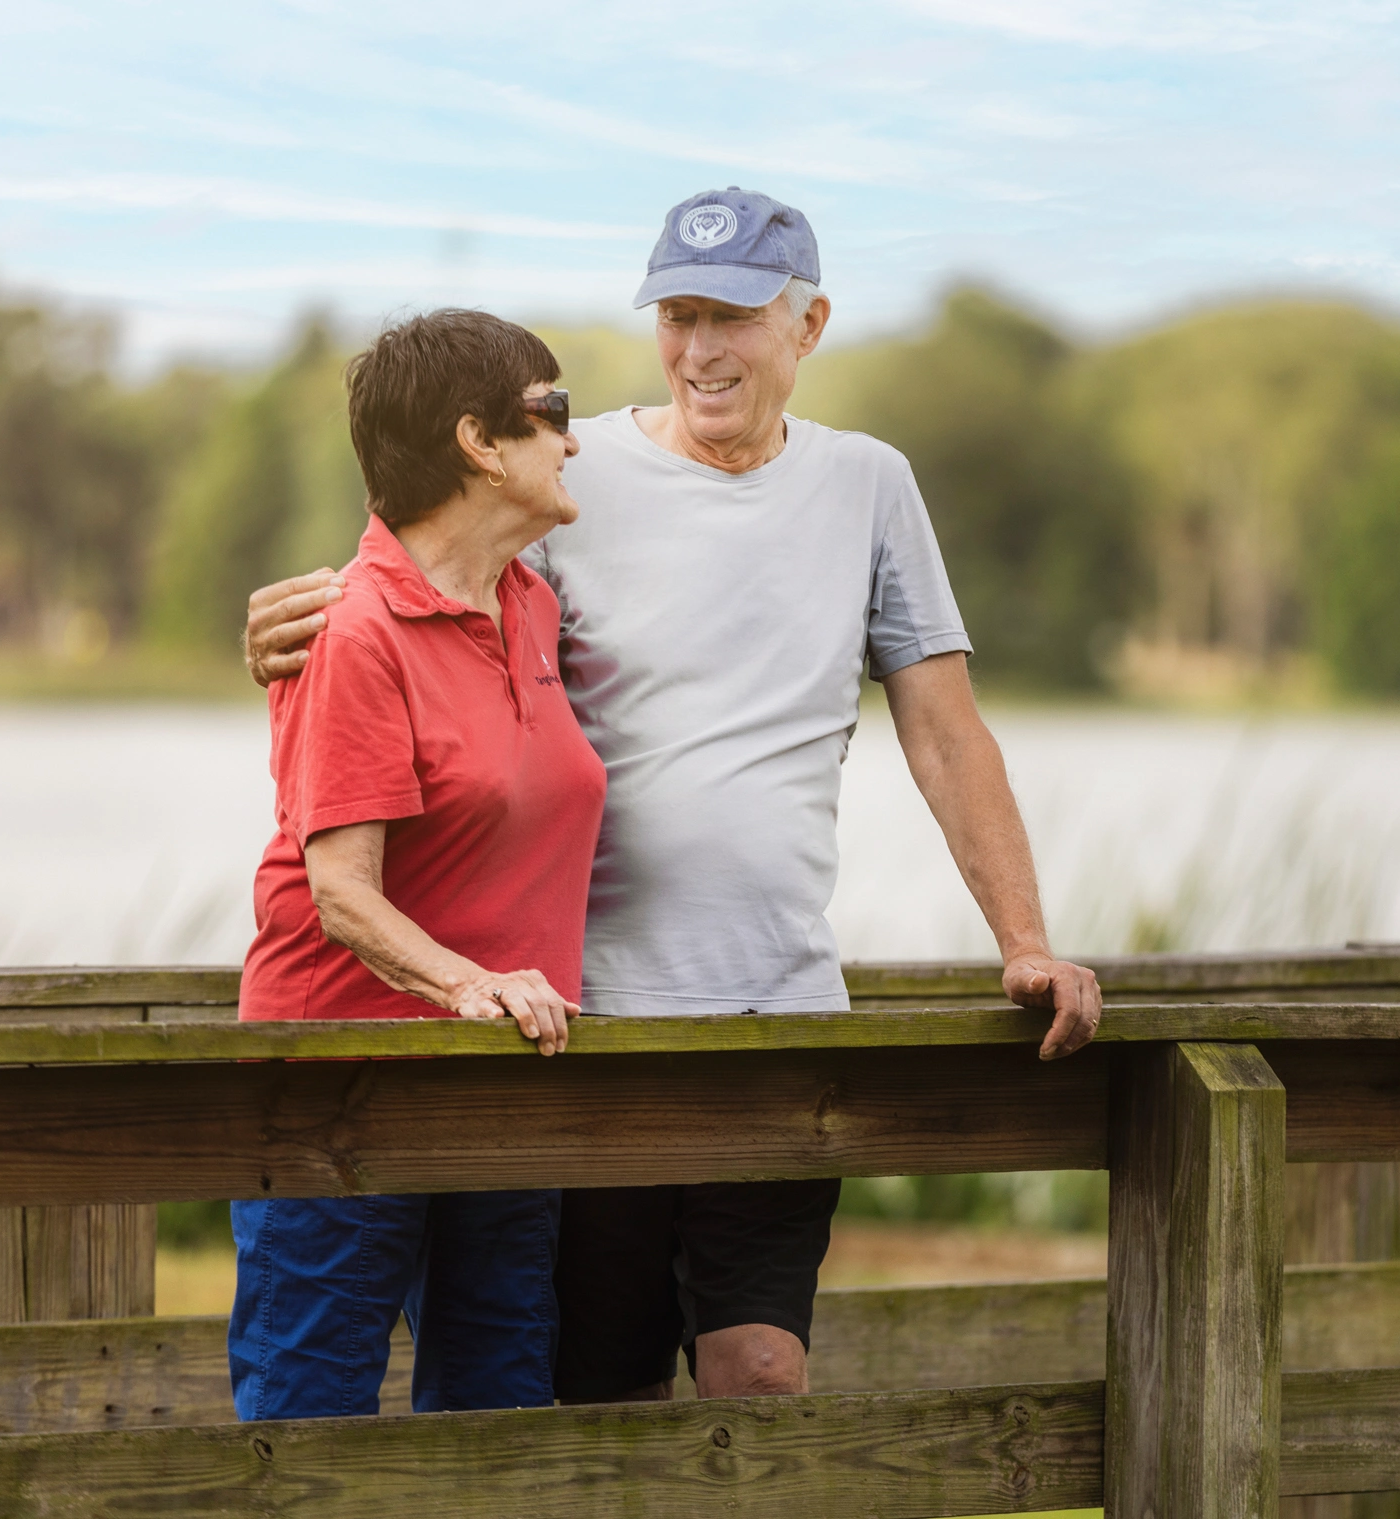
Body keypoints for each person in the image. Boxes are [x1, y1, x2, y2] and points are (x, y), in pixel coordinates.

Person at [243, 188, 1103, 1405]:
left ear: (806, 325)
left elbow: (947, 734)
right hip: (590, 1033)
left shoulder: (868, 486)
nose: (700, 349)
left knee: (759, 1374)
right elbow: (409, 593)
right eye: (677, 315)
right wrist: (283, 632)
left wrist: (1025, 943)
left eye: (734, 316)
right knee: (592, 1400)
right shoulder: (564, 479)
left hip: (780, 1022)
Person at [229, 308, 605, 1421]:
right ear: (479, 443)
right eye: (555, 413)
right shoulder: (353, 630)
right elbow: (340, 891)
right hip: (343, 1088)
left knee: (495, 1415)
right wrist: (470, 985)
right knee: (310, 1426)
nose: (574, 441)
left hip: (501, 1084)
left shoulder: (532, 605)